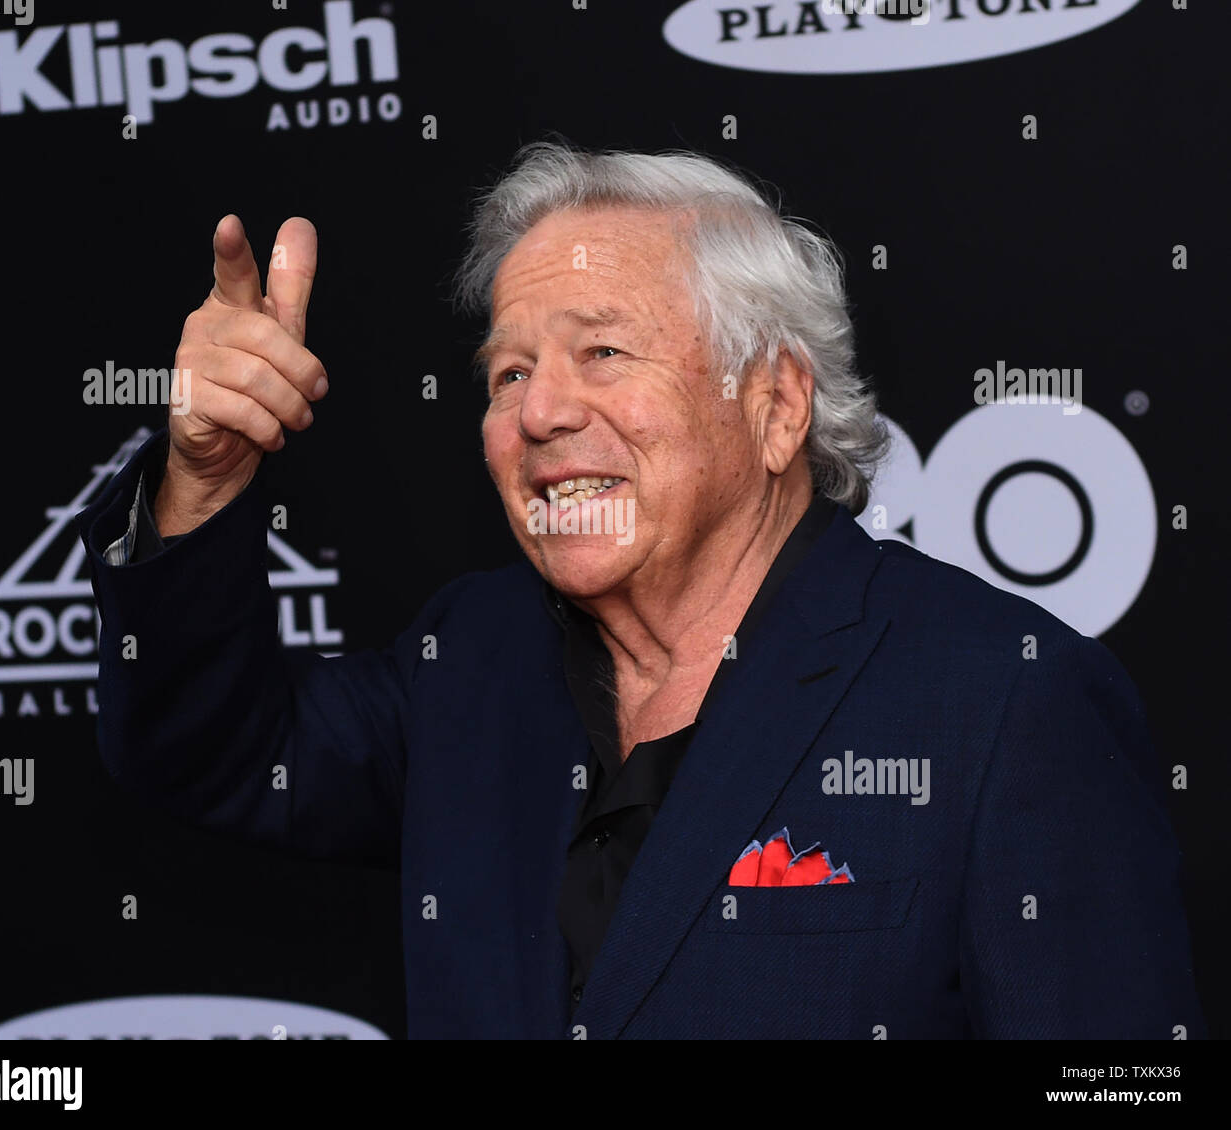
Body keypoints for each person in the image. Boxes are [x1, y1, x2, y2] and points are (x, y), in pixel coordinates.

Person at [80, 141, 1203, 1039]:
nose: (540, 412)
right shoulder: (466, 660)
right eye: (508, 372)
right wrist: (203, 479)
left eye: (602, 353)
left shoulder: (1005, 702)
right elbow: (201, 749)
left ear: (774, 406)